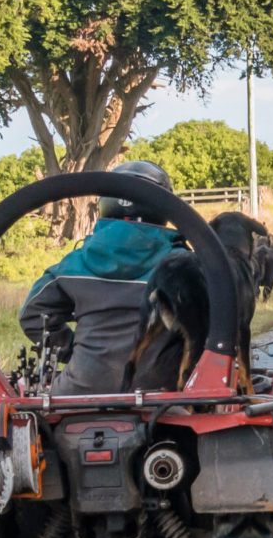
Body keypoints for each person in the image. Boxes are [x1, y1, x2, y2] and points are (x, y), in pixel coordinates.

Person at [19, 160, 185, 396]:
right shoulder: (181, 263)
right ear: (165, 205)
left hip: (77, 392)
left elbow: (32, 315)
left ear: (105, 203)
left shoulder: (73, 264)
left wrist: (73, 351)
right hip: (160, 394)